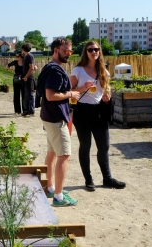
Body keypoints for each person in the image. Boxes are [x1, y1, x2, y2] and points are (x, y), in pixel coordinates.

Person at [70, 41, 126, 191]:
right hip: (82, 111)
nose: (94, 52)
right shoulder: (78, 70)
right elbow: (70, 91)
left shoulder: (104, 71)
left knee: (104, 146)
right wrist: (83, 88)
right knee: (86, 145)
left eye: (96, 49)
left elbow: (106, 90)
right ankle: (88, 179)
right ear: (85, 52)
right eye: (90, 49)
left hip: (99, 111)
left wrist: (107, 96)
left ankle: (107, 178)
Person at [38, 37, 79, 206]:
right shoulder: (55, 71)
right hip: (55, 118)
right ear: (56, 50)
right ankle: (59, 197)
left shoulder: (50, 67)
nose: (68, 54)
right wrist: (70, 94)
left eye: (70, 51)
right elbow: (50, 95)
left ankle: (50, 188)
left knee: (52, 153)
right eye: (65, 51)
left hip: (48, 116)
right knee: (64, 155)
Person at [21, 43, 36, 117]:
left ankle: (31, 111)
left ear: (23, 49)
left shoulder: (30, 56)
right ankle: (26, 110)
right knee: (26, 94)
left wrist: (26, 76)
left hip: (29, 78)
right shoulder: (26, 56)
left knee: (30, 94)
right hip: (25, 77)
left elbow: (31, 68)